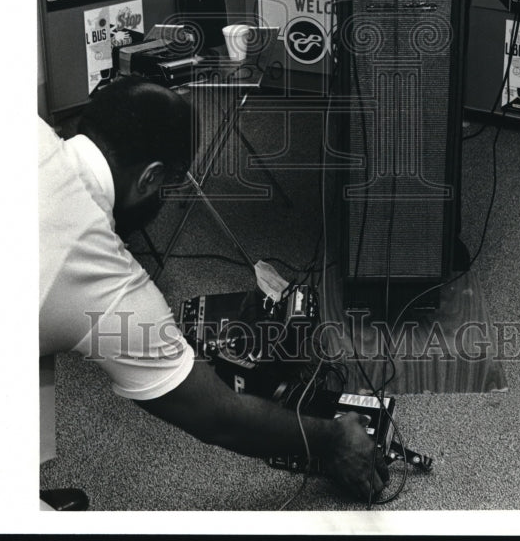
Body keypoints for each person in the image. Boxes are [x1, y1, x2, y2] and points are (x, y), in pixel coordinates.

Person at [39, 74, 388, 506]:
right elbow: (217, 416)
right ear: (149, 179)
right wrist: (334, 438)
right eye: (169, 189)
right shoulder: (108, 283)